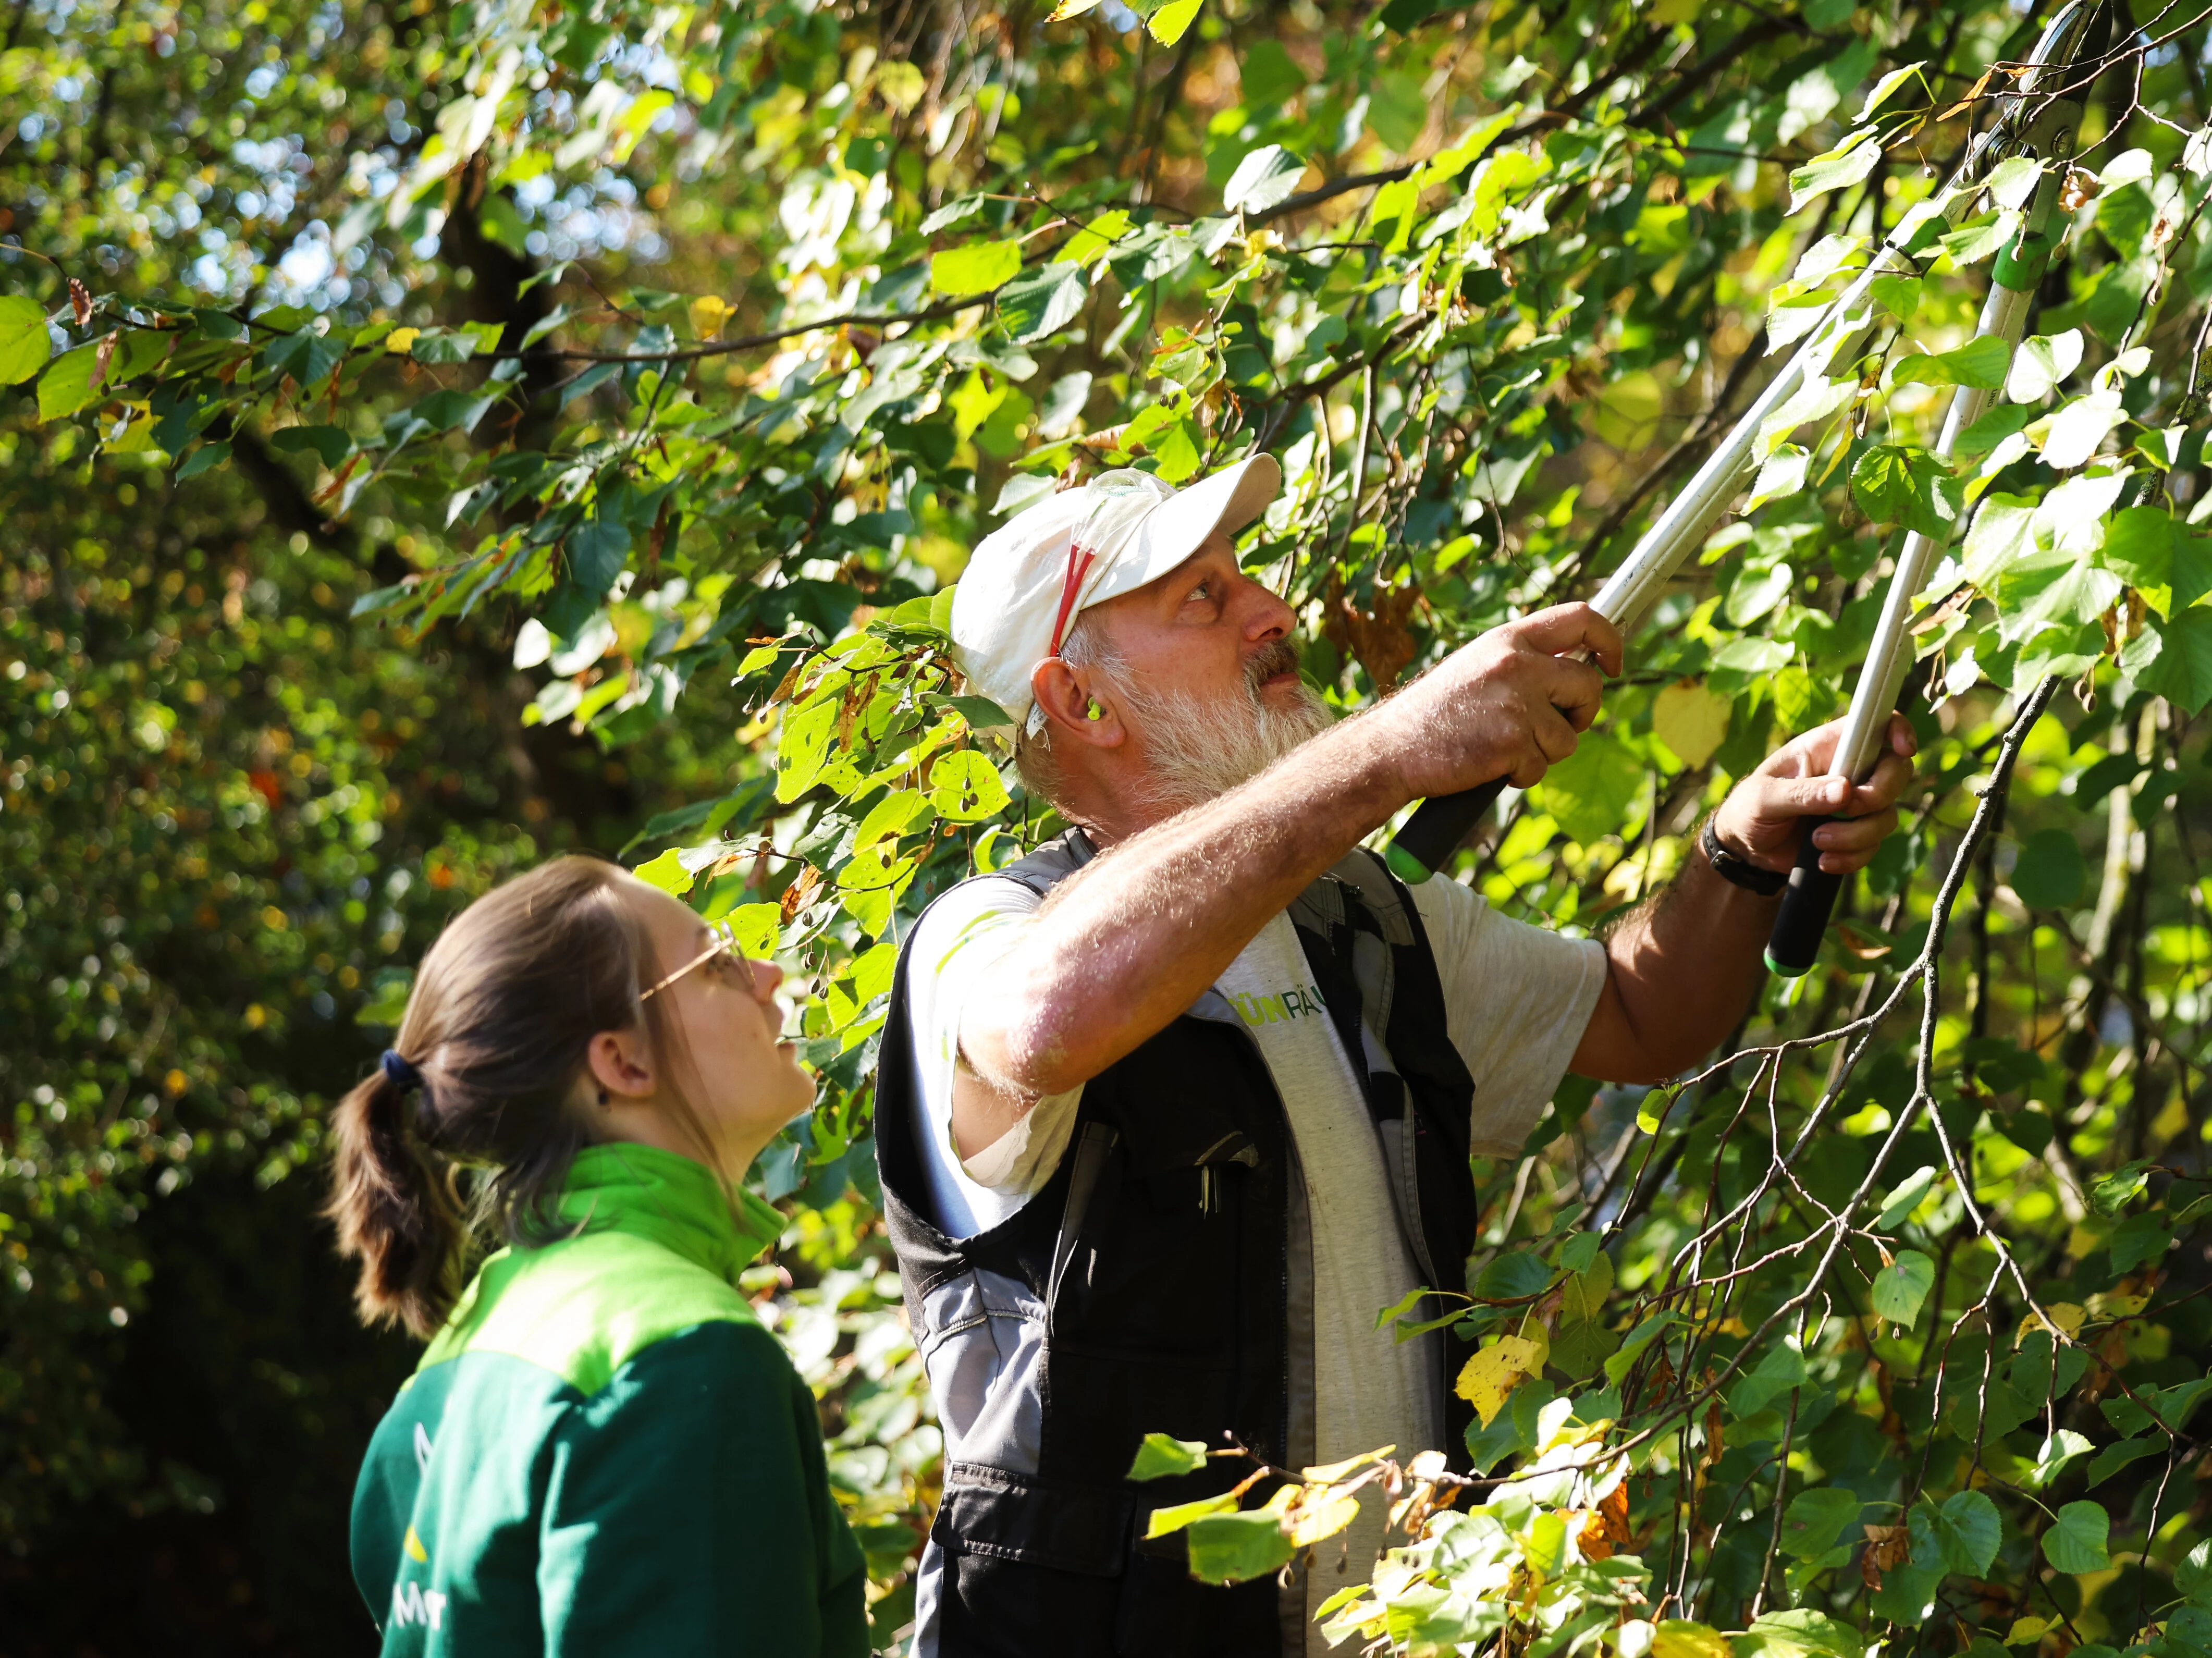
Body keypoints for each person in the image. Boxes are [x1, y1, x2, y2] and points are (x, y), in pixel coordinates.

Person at [870, 459, 1918, 1657]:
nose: (1273, 612)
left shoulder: (1357, 916)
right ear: (1083, 705)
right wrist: (1388, 753)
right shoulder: (982, 938)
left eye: (1242, 577)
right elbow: (1049, 1023)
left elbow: (1640, 1017)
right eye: (1203, 599)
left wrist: (1737, 851)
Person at [328, 854, 868, 1655]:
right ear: (623, 1062)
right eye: (717, 963)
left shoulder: (454, 1361)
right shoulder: (683, 1358)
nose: (766, 972)